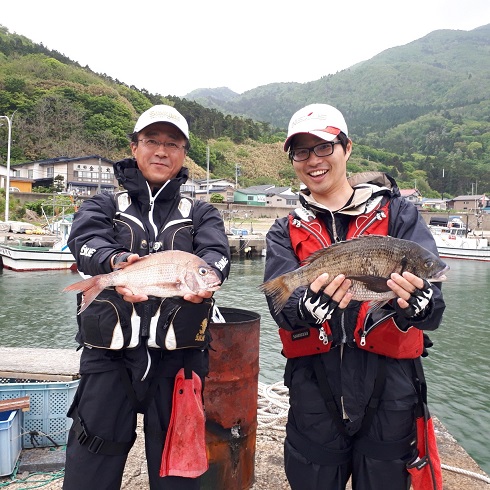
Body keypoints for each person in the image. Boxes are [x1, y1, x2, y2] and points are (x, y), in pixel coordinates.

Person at [263, 103, 446, 490]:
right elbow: (282, 306)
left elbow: (433, 306)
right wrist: (305, 308)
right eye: (301, 151)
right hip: (314, 388)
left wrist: (421, 305)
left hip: (390, 388)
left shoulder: (399, 214)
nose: (313, 160)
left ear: (347, 148)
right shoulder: (284, 229)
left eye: (324, 147)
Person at [63, 104, 231, 490]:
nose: (161, 151)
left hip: (179, 364)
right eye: (152, 141)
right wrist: (115, 261)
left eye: (172, 143)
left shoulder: (202, 213)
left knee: (177, 470)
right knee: (91, 465)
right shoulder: (104, 204)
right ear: (134, 147)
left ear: (183, 153)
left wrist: (208, 276)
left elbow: (217, 255)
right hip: (108, 360)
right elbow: (85, 240)